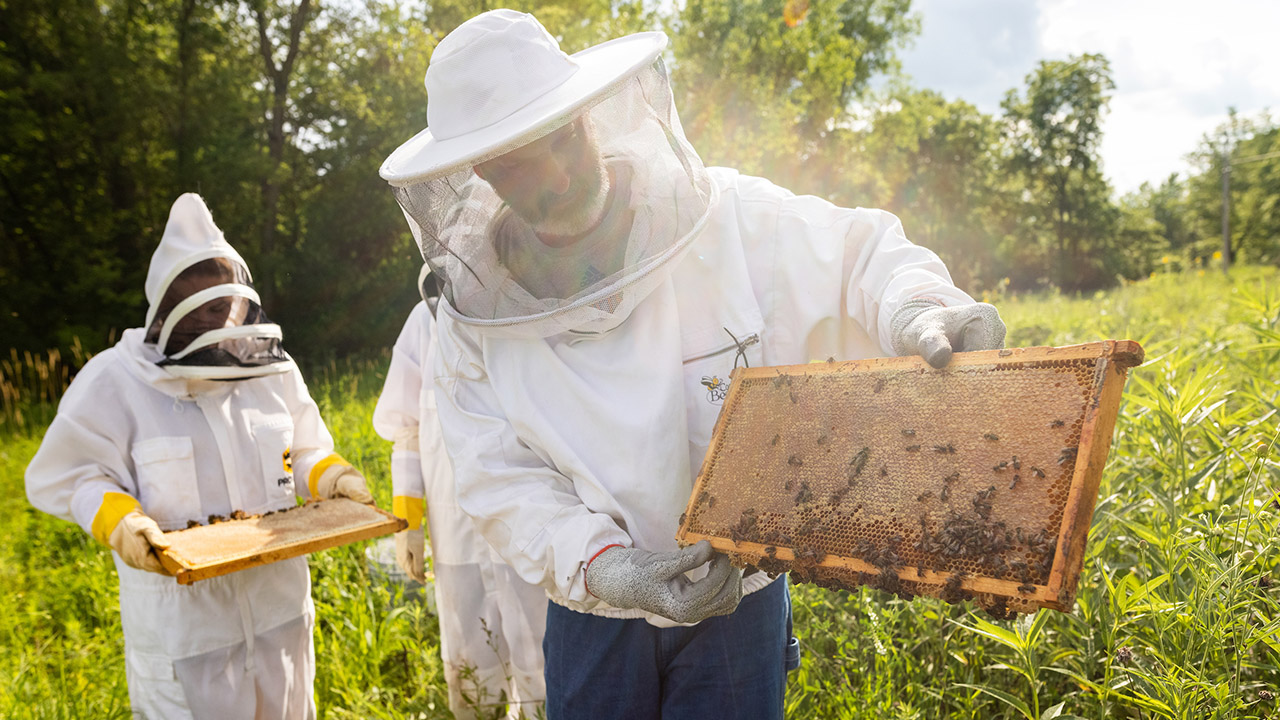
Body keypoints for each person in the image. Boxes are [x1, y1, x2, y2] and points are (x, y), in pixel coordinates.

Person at [379, 10, 1007, 718]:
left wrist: (918, 304)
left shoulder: (729, 220)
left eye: (565, 137)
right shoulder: (472, 323)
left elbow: (857, 252)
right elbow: (497, 475)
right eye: (523, 161)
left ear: (589, 115)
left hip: (741, 595)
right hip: (597, 616)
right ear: (485, 172)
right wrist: (607, 569)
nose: (558, 172)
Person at [25, 193, 374, 719]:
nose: (217, 319)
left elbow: (302, 449)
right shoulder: (115, 381)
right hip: (186, 635)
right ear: (167, 306)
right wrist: (119, 520)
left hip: (280, 612)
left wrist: (331, 476)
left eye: (222, 306)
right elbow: (68, 475)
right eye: (202, 308)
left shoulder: (271, 372)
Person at [373, 266, 547, 719]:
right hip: (456, 533)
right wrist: (408, 521)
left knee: (542, 658)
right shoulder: (421, 324)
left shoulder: (532, 316)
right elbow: (407, 429)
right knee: (471, 663)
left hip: (529, 528)